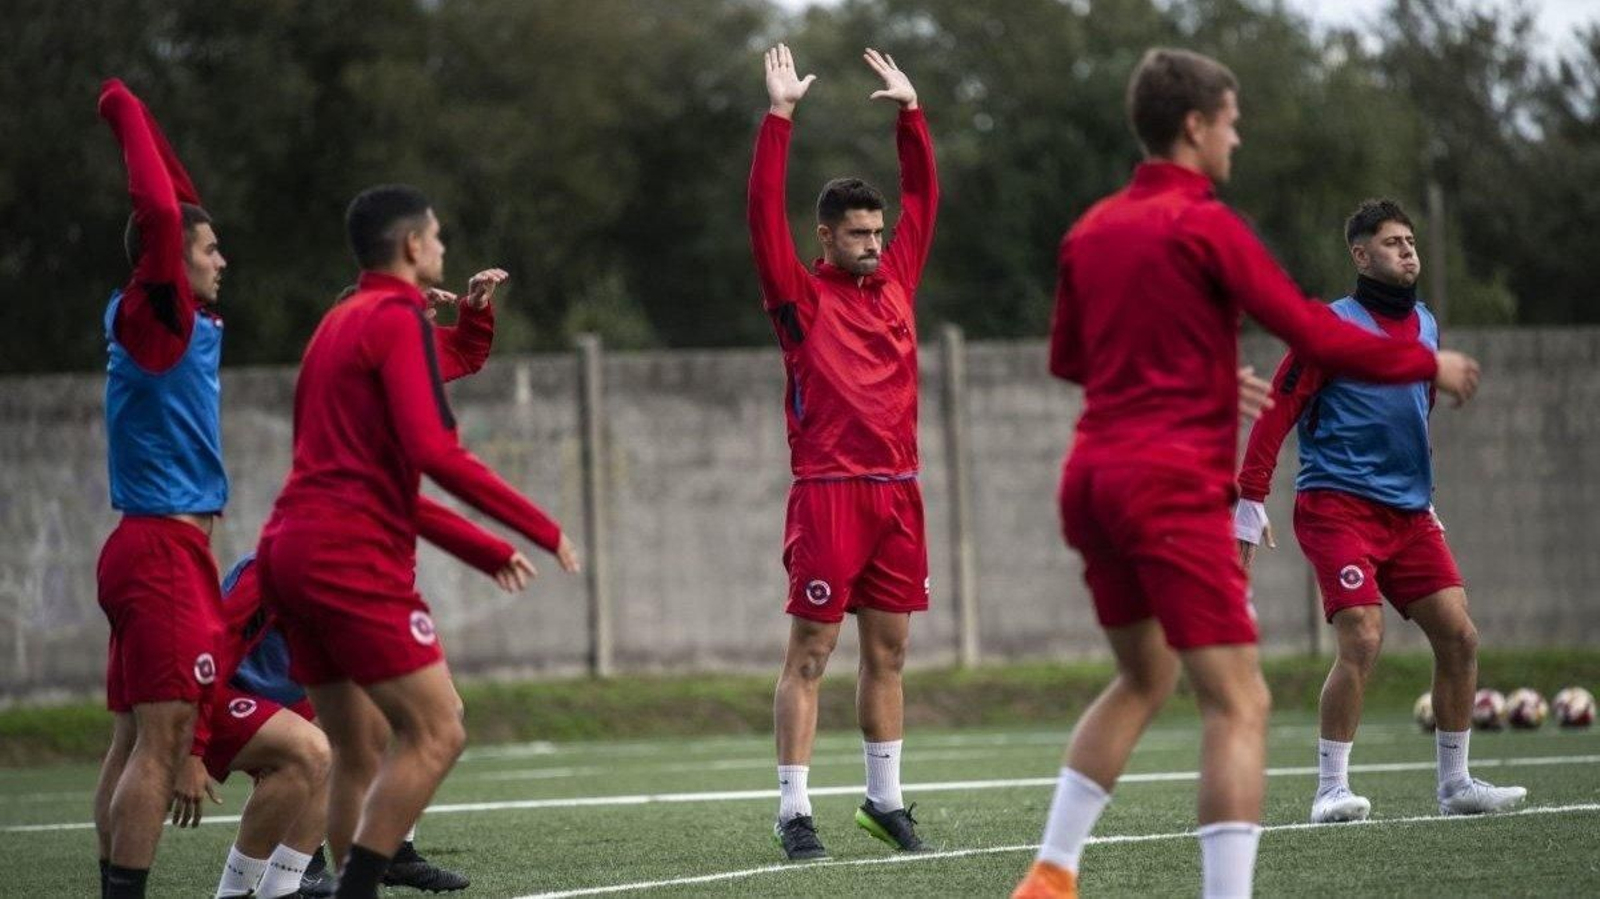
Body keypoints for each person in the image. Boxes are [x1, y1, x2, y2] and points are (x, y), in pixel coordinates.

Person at [1011, 49, 1482, 899]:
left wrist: (1196, 373)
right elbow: (1313, 330)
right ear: (1194, 126)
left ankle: (1052, 871)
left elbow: (1071, 359)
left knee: (1145, 676)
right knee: (1240, 703)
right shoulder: (1206, 223)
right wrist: (1426, 367)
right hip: (1164, 484)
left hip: (1091, 480)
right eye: (1231, 119)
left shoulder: (1089, 228)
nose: (1239, 134)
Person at [257, 184, 579, 899]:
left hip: (288, 548)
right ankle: (359, 885)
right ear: (410, 246)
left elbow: (386, 476)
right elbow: (435, 452)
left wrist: (485, 548)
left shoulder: (337, 325)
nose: (442, 248)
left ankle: (344, 882)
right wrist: (539, 524)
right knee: (439, 730)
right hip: (346, 553)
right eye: (436, 237)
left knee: (358, 748)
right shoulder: (393, 318)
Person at [1234, 198, 1525, 824]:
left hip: (1410, 514)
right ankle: (1330, 790)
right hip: (1336, 506)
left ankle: (1456, 785)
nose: (1408, 251)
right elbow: (1277, 412)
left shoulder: (1425, 325)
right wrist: (1249, 499)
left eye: (1411, 241)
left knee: (1460, 634)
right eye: (1393, 242)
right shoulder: (1326, 327)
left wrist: (1429, 499)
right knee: (1363, 635)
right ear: (1361, 255)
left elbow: (1413, 421)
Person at [749, 44, 938, 861]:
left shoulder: (897, 278)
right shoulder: (796, 296)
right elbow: (760, 212)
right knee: (813, 652)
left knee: (889, 652)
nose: (872, 240)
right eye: (857, 232)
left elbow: (925, 193)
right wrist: (780, 117)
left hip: (899, 491)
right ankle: (794, 812)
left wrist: (912, 115)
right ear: (824, 235)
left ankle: (884, 801)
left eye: (877, 230)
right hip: (828, 491)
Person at [91, 77, 230, 899]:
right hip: (160, 553)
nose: (222, 260)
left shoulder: (161, 317)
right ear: (173, 263)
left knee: (129, 742)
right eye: (210, 251)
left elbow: (182, 202)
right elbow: (166, 213)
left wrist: (146, 111)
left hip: (142, 547)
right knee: (163, 738)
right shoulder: (159, 315)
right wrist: (119, 107)